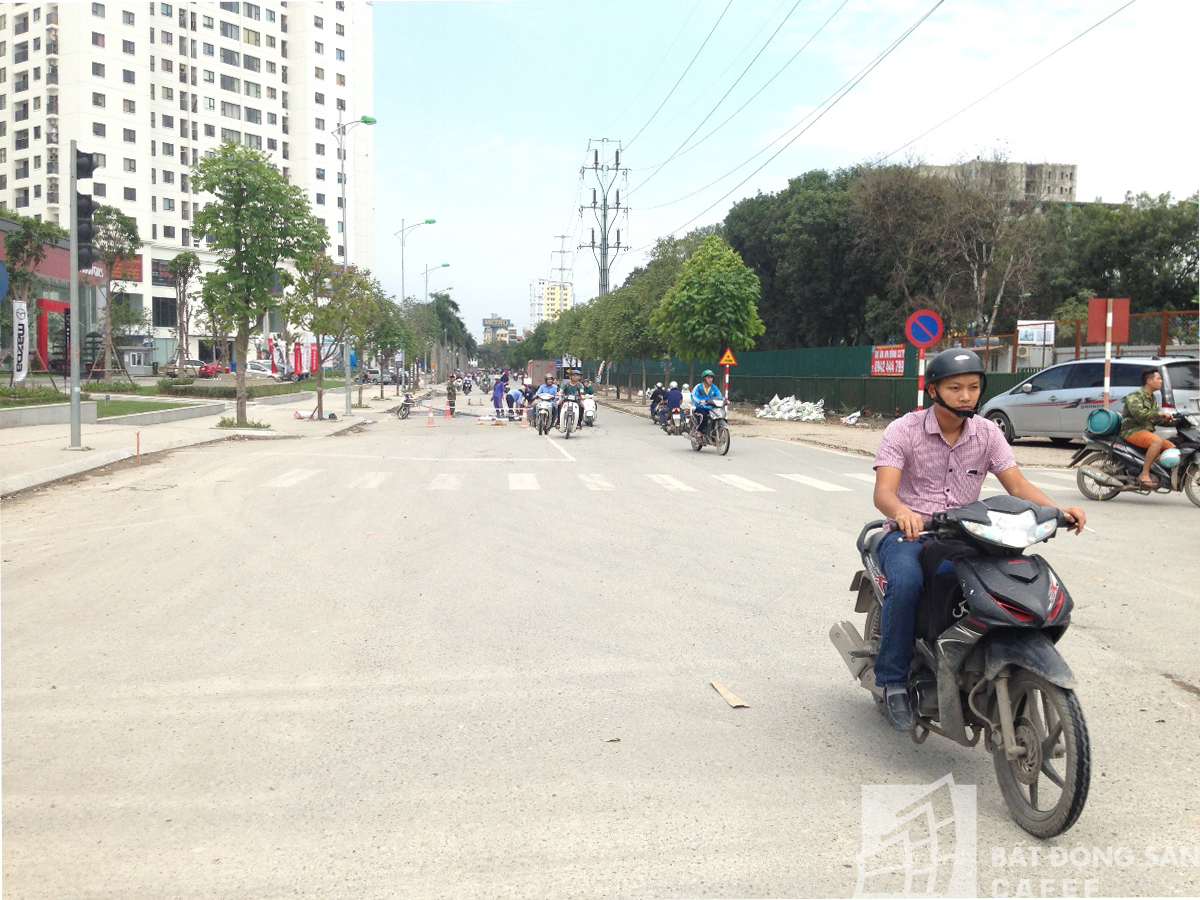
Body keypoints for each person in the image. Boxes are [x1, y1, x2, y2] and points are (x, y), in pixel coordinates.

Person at [871, 348, 1086, 731]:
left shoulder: (987, 432)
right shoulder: (903, 430)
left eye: (973, 387)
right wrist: (902, 512)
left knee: (1002, 583)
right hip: (909, 534)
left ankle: (981, 656)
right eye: (955, 388)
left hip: (964, 534)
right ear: (933, 391)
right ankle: (891, 682)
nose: (966, 396)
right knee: (906, 584)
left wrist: (1058, 511)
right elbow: (884, 492)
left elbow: (1017, 484)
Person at [1121, 367, 1176, 488]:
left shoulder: (1153, 398)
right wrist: (1159, 413)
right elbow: (1139, 414)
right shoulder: (1135, 395)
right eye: (1159, 378)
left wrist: (1177, 423)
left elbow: (1156, 419)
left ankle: (1156, 471)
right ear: (1149, 381)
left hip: (1145, 431)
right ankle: (1144, 473)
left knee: (1172, 448)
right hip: (1132, 430)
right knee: (1157, 441)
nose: (1161, 381)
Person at [691, 370, 724, 438]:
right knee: (704, 416)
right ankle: (699, 431)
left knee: (719, 415)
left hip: (711, 407)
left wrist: (725, 400)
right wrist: (699, 401)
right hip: (701, 408)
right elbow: (693, 395)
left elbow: (719, 396)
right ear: (704, 378)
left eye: (711, 378)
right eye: (708, 378)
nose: (710, 379)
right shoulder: (698, 387)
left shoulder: (714, 387)